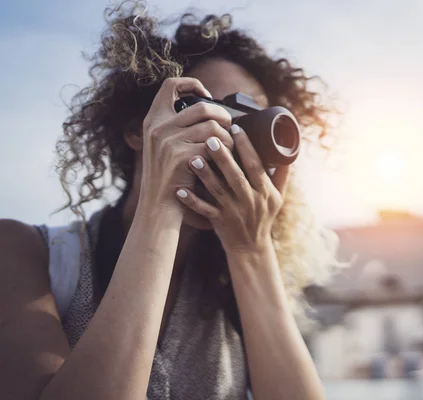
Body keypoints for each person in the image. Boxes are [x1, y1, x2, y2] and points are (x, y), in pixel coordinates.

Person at [0, 3, 341, 399]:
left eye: (252, 122)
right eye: (215, 112)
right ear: (137, 130)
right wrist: (161, 210)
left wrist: (252, 249)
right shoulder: (25, 252)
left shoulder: (231, 287)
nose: (232, 141)